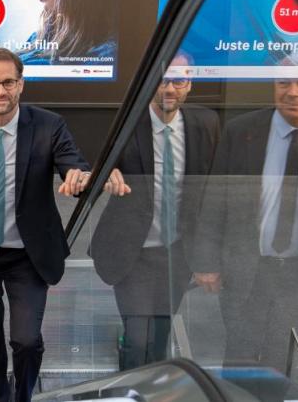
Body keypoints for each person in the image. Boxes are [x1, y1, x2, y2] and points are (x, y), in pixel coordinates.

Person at [191, 53, 298, 372]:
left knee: (283, 356)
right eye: (284, 82)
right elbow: (214, 200)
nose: (293, 92)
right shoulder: (241, 130)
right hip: (248, 266)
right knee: (238, 354)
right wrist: (206, 262)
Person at [0, 48, 91, 402]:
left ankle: (21, 396)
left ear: (21, 84)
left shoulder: (48, 124)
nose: (1, 91)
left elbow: (74, 163)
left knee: (26, 340)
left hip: (28, 254)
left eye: (9, 82)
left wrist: (78, 175)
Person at [90, 53, 220, 370]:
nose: (169, 89)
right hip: (133, 251)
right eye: (161, 81)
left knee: (160, 336)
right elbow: (93, 169)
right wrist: (105, 173)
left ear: (189, 85)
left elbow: (213, 198)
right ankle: (130, 389)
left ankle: (154, 386)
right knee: (137, 338)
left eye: (178, 80)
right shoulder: (126, 122)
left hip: (177, 253)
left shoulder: (205, 124)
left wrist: (208, 259)